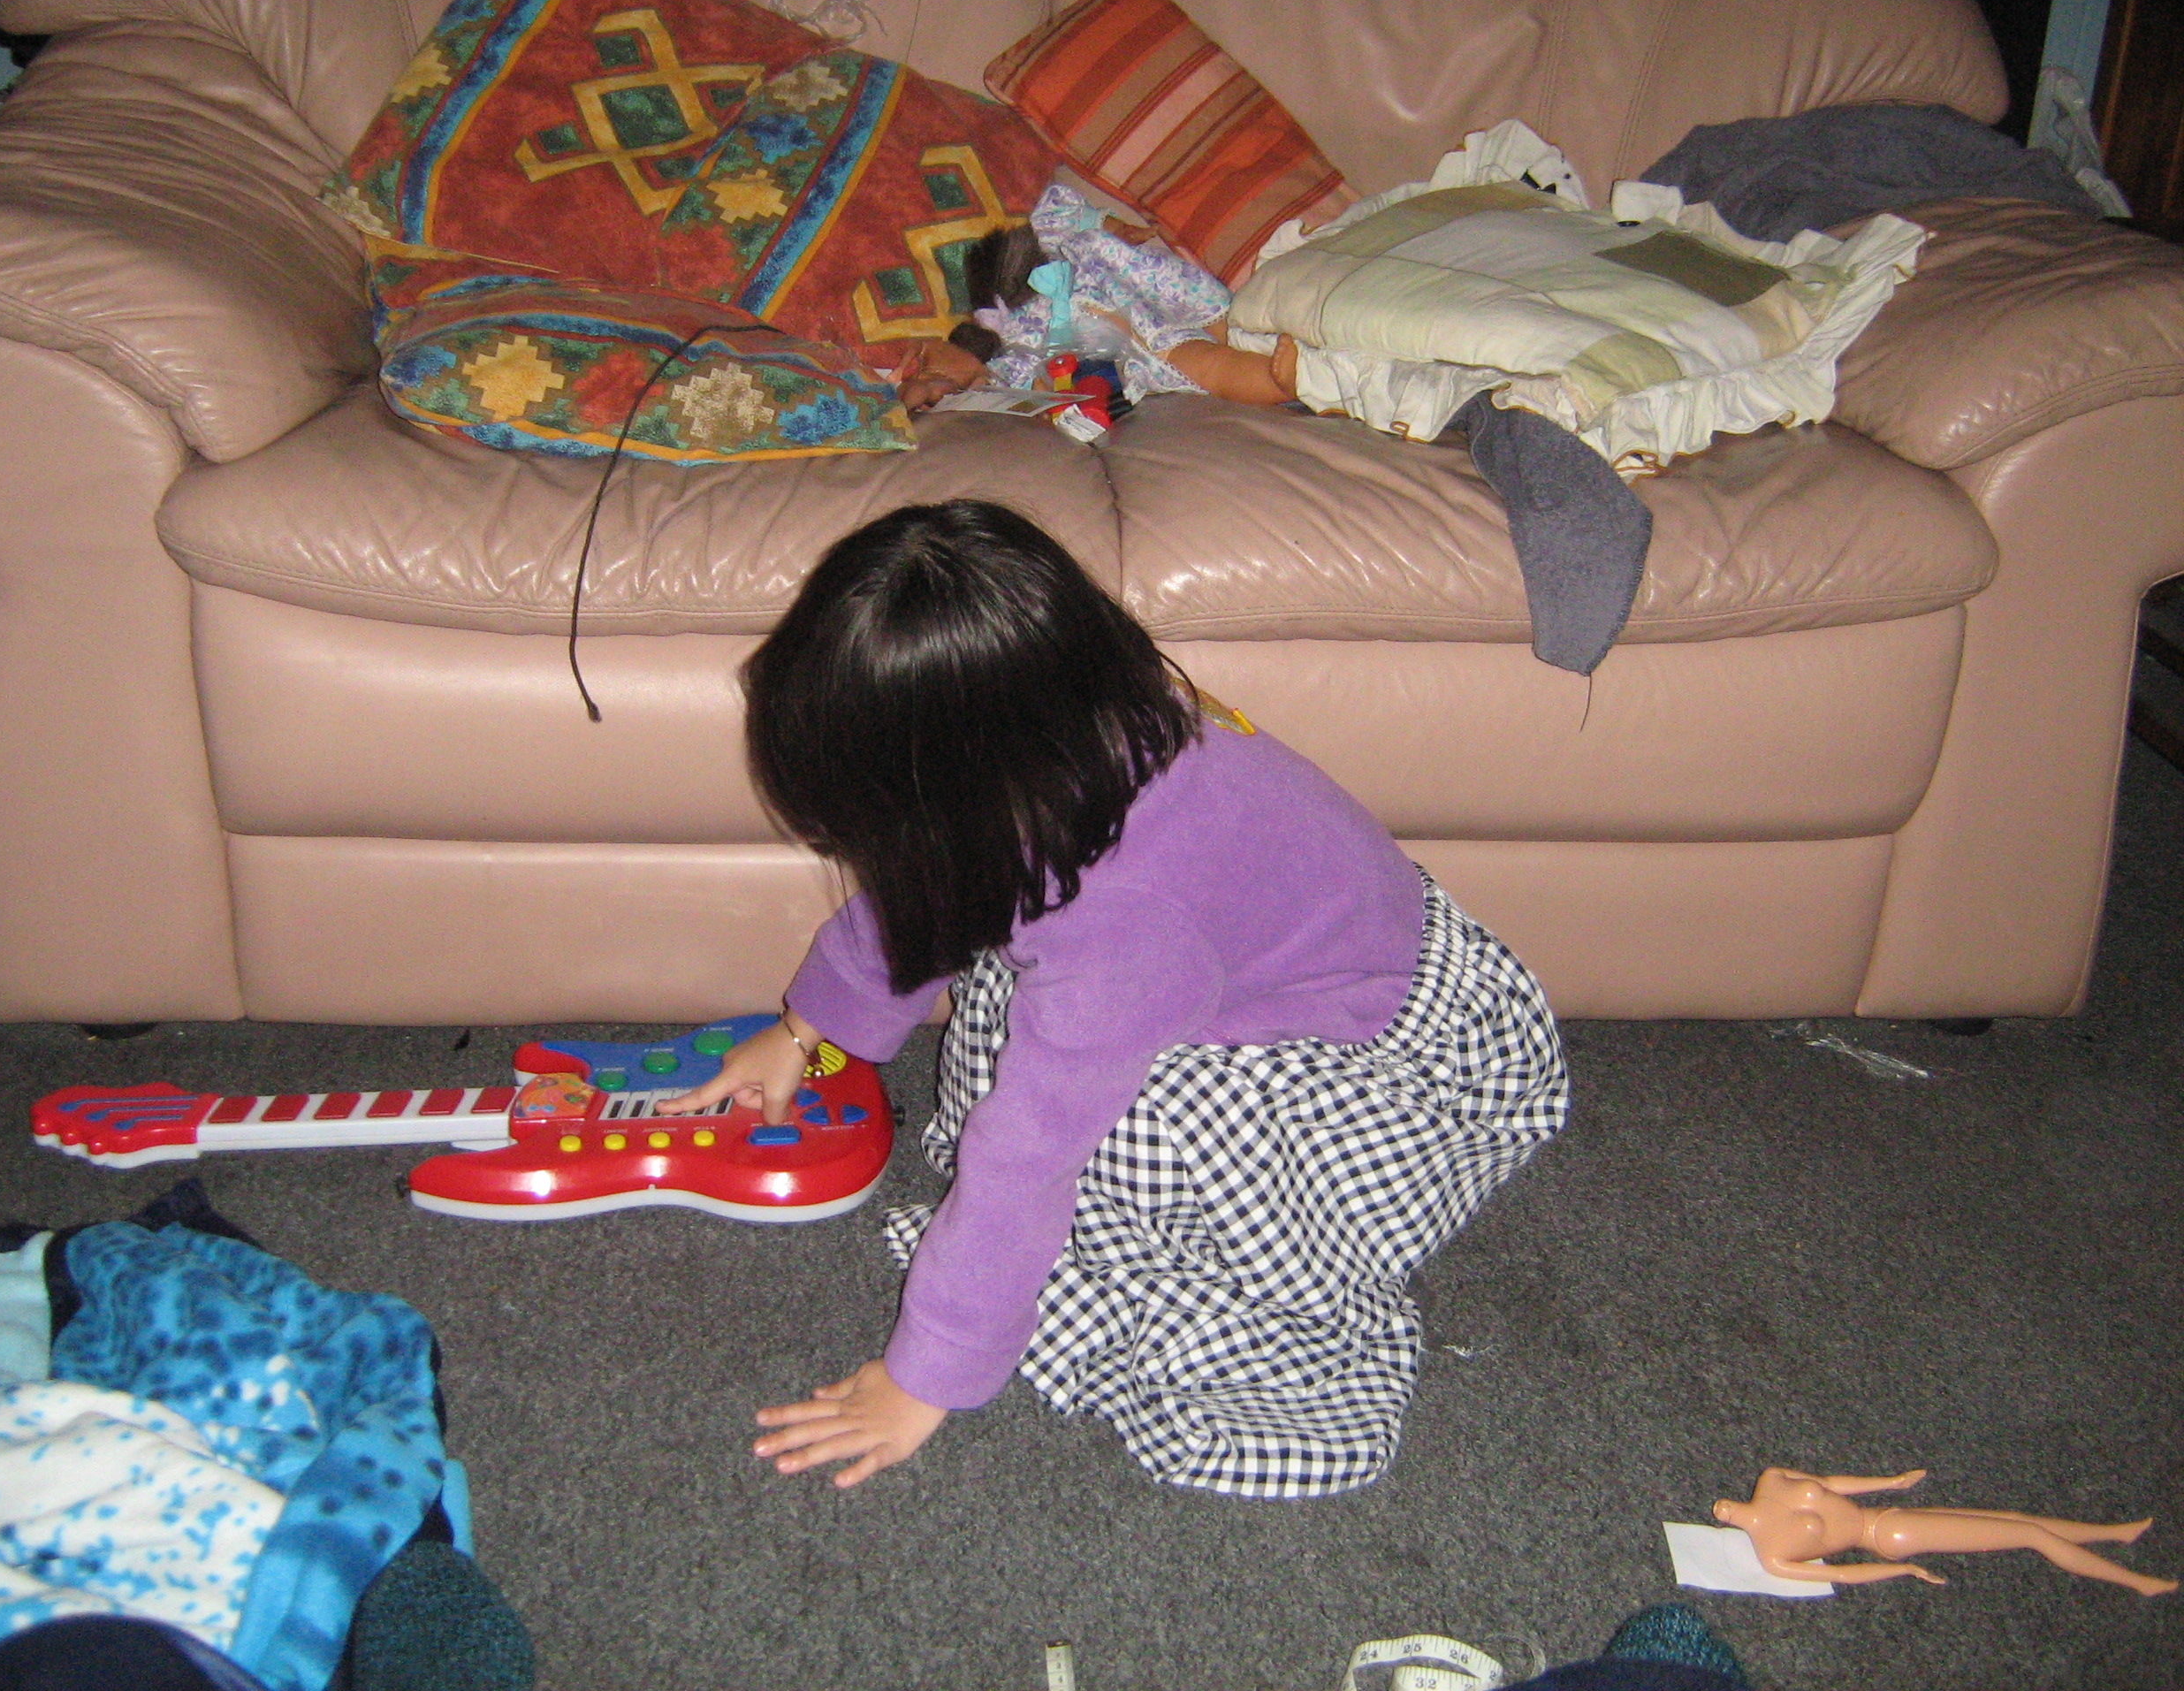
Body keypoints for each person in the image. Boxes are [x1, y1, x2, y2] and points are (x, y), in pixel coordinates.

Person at [660, 499, 1568, 1497]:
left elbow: (1027, 1156)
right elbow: (937, 887)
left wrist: (925, 1376)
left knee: (1132, 1128)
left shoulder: (1123, 921)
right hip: (1284, 971)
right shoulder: (1072, 744)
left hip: (1418, 1074)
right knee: (1016, 990)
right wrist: (807, 1030)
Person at [891, 183, 1298, 413]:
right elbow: (1034, 392)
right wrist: (938, 391)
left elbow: (1058, 214)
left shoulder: (1046, 252)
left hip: (1147, 293)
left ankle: (1279, 342)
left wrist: (1111, 224)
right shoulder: (1008, 364)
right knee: (1208, 365)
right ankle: (1283, 382)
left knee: (1233, 322)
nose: (944, 385)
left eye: (930, 372)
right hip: (1140, 343)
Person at [1714, 1466, 2179, 1596]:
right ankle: (2137, 1582)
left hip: (1888, 1514)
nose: (1723, 1509)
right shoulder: (1772, 1555)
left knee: (2015, 1522)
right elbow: (1841, 1574)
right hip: (1892, 1537)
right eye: (1721, 1512)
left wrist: (1890, 1482)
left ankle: (2113, 1533)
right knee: (2030, 1536)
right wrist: (1904, 1570)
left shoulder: (1771, 1479)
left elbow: (1830, 1483)